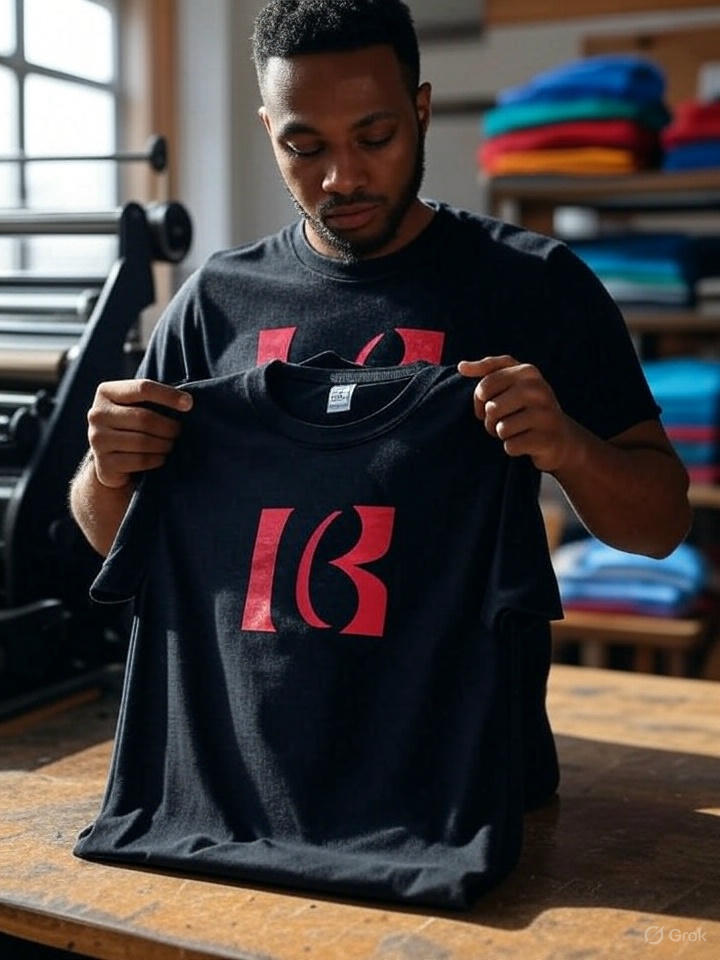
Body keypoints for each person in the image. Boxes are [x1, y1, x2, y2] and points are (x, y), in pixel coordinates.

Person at [69, 0, 690, 563]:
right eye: (306, 148)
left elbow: (661, 525)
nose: (342, 177)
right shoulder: (216, 301)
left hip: (456, 692)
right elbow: (114, 536)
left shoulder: (534, 283)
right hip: (241, 691)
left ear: (420, 112)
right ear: (269, 132)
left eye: (374, 137)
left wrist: (570, 449)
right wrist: (105, 470)